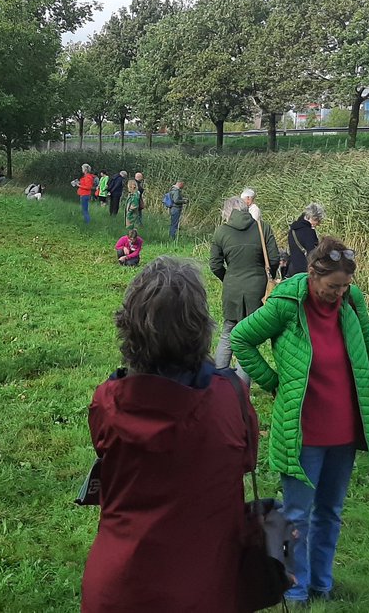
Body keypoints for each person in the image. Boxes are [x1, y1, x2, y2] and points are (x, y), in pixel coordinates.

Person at [81, 258, 259, 612]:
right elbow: (246, 460)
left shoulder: (108, 402)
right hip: (204, 587)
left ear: (129, 328)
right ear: (201, 325)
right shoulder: (232, 397)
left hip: (119, 587)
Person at [231, 237, 369, 605]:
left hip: (344, 430)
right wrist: (273, 382)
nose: (339, 293)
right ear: (312, 275)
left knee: (330, 512)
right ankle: (295, 589)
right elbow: (241, 339)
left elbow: (368, 335)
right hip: (302, 432)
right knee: (296, 515)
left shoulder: (351, 300)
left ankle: (322, 584)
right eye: (332, 286)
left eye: (345, 286)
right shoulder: (286, 305)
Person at [210, 196, 281, 381]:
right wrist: (266, 278)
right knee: (248, 338)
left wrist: (227, 278)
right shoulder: (262, 227)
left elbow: (215, 265)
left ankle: (217, 380)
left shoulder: (221, 232)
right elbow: (274, 259)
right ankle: (241, 387)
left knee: (228, 332)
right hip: (257, 288)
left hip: (232, 287)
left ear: (227, 212)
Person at [287, 202, 325, 275]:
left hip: (293, 271)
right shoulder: (309, 232)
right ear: (313, 217)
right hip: (305, 272)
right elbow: (313, 254)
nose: (318, 224)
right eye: (318, 220)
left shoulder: (292, 230)